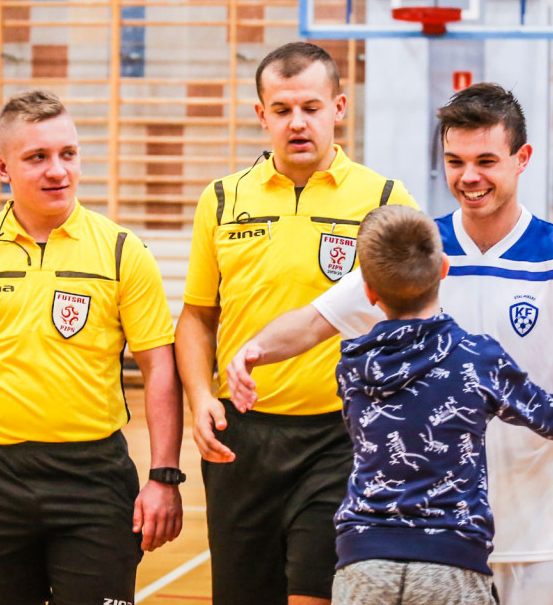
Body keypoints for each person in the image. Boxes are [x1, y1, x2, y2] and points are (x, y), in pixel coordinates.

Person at [227, 83, 553, 605]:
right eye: (455, 161)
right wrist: (253, 351)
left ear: (522, 159)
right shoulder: (419, 249)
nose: (468, 177)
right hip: (436, 547)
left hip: (536, 539)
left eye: (485, 161)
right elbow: (315, 322)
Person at [0, 89, 185, 605]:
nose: (57, 171)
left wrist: (164, 477)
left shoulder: (121, 252)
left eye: (68, 154)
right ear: (3, 166)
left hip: (94, 481)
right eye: (37, 157)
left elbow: (160, 369)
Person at [174, 41, 416, 605]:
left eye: (310, 106)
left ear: (339, 107)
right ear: (261, 115)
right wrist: (198, 398)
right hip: (241, 438)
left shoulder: (384, 198)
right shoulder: (221, 199)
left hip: (341, 437)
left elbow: (413, 322)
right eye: (281, 110)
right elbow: (196, 317)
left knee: (315, 593)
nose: (297, 123)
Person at [329, 204, 553, 605]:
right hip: (450, 558)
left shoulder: (352, 365)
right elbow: (546, 414)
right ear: (444, 269)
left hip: (364, 558)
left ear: (370, 292)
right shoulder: (474, 357)